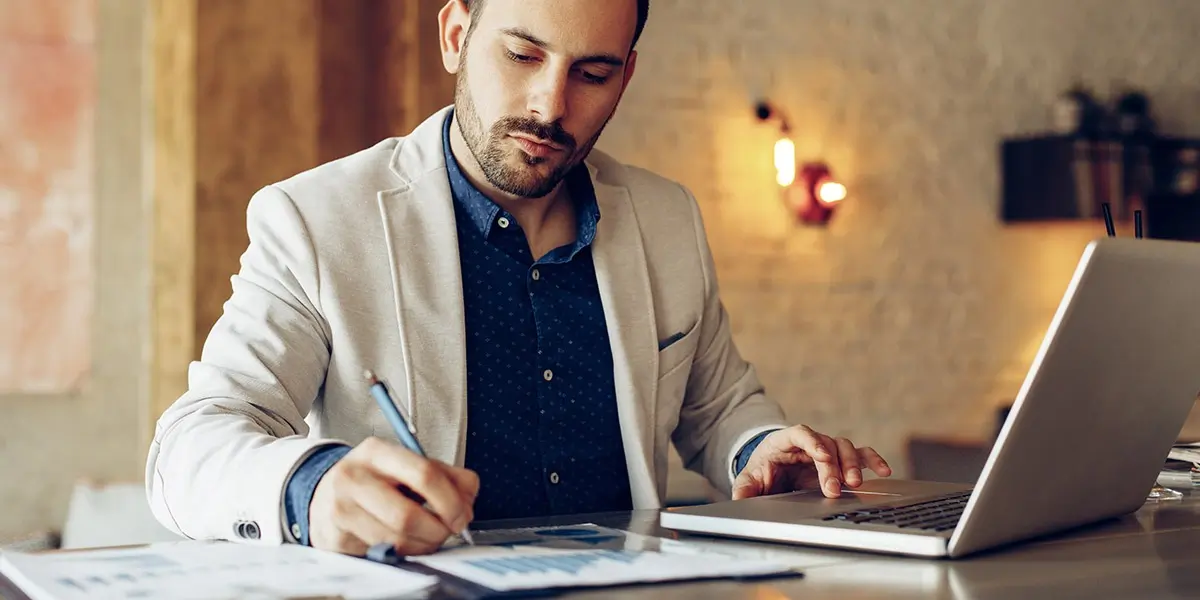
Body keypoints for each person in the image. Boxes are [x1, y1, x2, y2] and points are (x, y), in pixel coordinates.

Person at [145, 0, 891, 558]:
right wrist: (313, 487)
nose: (551, 106)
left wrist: (757, 447)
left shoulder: (668, 220)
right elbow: (187, 450)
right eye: (522, 56)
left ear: (626, 75)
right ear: (455, 36)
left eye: (592, 74)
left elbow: (721, 404)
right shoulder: (315, 220)